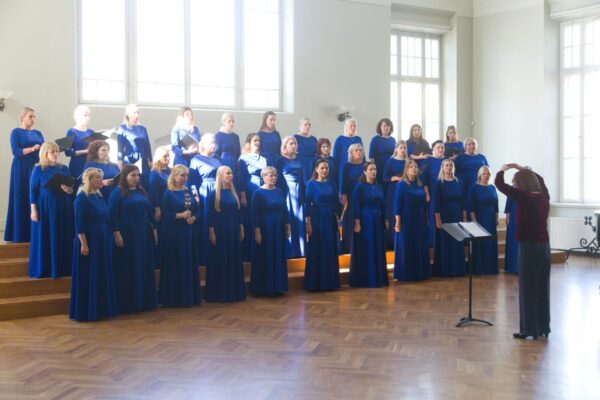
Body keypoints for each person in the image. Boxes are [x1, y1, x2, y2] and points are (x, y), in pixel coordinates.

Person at [495, 164, 551, 340]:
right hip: (545, 247)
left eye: (516, 183)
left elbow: (499, 184)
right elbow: (541, 180)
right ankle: (543, 326)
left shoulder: (525, 197)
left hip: (529, 247)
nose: (515, 186)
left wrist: (503, 169)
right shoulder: (543, 196)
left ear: (522, 184)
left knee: (527, 288)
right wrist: (522, 168)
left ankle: (529, 329)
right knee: (542, 287)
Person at [70, 168, 118, 322]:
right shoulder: (82, 198)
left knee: (102, 271)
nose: (101, 180)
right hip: (90, 239)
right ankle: (89, 310)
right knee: (91, 272)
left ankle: (102, 308)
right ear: (89, 180)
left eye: (100, 177)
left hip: (102, 238)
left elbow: (107, 216)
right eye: (97, 177)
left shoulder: (99, 196)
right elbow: (79, 224)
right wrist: (84, 244)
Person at [108, 165, 157, 314]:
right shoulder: (117, 192)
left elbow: (149, 212)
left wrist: (154, 231)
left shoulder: (142, 191)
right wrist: (116, 233)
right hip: (127, 232)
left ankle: (144, 300)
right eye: (132, 175)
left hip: (143, 232)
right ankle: (128, 303)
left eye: (137, 175)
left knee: (143, 264)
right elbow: (112, 215)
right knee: (129, 265)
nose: (136, 178)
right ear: (125, 176)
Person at [29, 142, 74, 278]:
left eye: (57, 151)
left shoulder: (64, 168)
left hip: (62, 205)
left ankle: (62, 268)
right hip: (45, 207)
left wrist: (68, 190)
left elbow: (71, 190)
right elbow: (33, 191)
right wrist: (33, 210)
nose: (56, 154)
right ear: (45, 154)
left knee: (62, 234)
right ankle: (46, 268)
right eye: (52, 152)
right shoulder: (38, 169)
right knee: (46, 235)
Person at [159, 165, 201, 307]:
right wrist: (180, 215)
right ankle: (174, 299)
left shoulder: (188, 192)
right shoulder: (168, 193)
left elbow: (197, 211)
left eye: (186, 175)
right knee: (175, 262)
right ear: (175, 176)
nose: (185, 178)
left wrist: (193, 218)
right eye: (182, 175)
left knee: (187, 261)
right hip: (173, 233)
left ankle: (188, 296)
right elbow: (164, 215)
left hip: (187, 232)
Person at [205, 166, 246, 302]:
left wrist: (241, 227)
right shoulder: (213, 194)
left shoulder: (235, 192)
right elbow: (209, 215)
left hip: (233, 228)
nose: (231, 175)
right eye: (228, 173)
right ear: (220, 176)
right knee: (220, 258)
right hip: (220, 229)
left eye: (231, 173)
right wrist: (211, 232)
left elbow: (239, 212)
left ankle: (234, 292)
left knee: (233, 257)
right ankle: (219, 293)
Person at [5, 107, 44, 242]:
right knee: (21, 196)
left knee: (36, 196)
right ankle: (19, 234)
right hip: (21, 168)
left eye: (34, 117)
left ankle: (35, 232)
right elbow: (16, 151)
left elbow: (43, 151)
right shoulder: (16, 132)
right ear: (22, 118)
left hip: (36, 166)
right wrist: (32, 148)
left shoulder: (38, 133)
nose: (33, 119)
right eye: (30, 116)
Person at [250, 167, 291, 296]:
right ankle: (264, 288)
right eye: (270, 175)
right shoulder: (258, 193)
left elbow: (285, 209)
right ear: (264, 177)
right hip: (265, 227)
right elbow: (254, 214)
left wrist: (287, 225)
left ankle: (278, 286)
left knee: (278, 255)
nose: (273, 178)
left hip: (278, 227)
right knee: (266, 255)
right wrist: (257, 231)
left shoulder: (279, 191)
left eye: (275, 175)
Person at [349, 161, 388, 288]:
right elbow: (356, 206)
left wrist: (385, 219)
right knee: (368, 247)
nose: (373, 171)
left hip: (378, 219)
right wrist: (357, 223)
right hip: (366, 219)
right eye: (371, 169)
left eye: (375, 169)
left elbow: (383, 204)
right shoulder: (360, 187)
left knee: (378, 247)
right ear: (365, 171)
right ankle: (367, 278)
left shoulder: (379, 186)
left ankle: (378, 277)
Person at [304, 159, 341, 291]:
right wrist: (308, 223)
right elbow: (307, 204)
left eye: (326, 168)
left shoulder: (332, 184)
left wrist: (338, 220)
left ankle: (330, 282)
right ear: (316, 169)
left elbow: (337, 203)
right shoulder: (311, 184)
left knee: (330, 248)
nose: (325, 170)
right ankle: (315, 283)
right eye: (322, 168)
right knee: (317, 247)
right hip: (317, 218)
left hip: (330, 219)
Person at [393, 160, 430, 281]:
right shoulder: (401, 185)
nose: (414, 168)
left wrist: (426, 218)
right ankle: (406, 273)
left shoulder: (419, 183)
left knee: (419, 243)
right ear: (406, 170)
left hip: (420, 217)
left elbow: (424, 203)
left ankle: (420, 272)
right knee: (407, 243)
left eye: (415, 167)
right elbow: (397, 204)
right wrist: (398, 221)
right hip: (407, 216)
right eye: (411, 167)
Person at [189, 133, 222, 265]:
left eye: (214, 143)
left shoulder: (217, 159)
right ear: (203, 144)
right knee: (205, 221)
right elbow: (192, 181)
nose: (213, 145)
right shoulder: (196, 159)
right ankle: (205, 257)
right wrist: (196, 197)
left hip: (217, 190)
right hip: (204, 192)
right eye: (210, 143)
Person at [433, 159, 466, 277]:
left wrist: (464, 217)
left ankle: (457, 269)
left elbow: (463, 201)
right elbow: (436, 204)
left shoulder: (459, 182)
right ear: (442, 167)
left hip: (457, 215)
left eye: (451, 165)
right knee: (445, 242)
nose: (449, 167)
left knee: (457, 241)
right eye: (446, 165)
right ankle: (446, 270)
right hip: (445, 215)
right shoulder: (438, 183)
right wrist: (438, 219)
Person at [237, 133, 267, 261]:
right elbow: (241, 178)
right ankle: (248, 253)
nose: (257, 142)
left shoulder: (264, 159)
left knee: (261, 217)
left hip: (262, 189)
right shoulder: (243, 158)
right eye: (255, 140)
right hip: (250, 189)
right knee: (250, 218)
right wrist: (243, 196)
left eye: (259, 140)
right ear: (249, 142)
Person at [275, 136, 305, 258]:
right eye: (291, 143)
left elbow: (302, 178)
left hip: (299, 192)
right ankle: (290, 252)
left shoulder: (300, 159)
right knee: (289, 219)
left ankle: (301, 251)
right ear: (285, 146)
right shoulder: (280, 160)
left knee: (300, 219)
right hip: (287, 192)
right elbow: (277, 179)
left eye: (295, 143)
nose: (294, 145)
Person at [467, 166, 499, 275]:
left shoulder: (492, 187)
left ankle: (491, 268)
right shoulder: (473, 188)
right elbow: (470, 207)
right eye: (484, 174)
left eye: (488, 174)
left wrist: (496, 218)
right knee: (480, 243)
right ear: (480, 175)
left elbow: (496, 205)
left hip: (491, 218)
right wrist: (474, 221)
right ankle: (480, 268)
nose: (486, 176)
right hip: (479, 218)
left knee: (490, 243)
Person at [383, 141, 409, 249]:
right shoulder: (391, 161)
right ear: (396, 149)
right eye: (401, 147)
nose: (403, 150)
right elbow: (385, 177)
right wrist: (395, 178)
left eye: (404, 148)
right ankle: (393, 242)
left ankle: (404, 241)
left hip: (406, 190)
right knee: (393, 214)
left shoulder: (408, 161)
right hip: (393, 190)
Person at [117, 104, 152, 184]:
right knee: (131, 182)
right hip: (130, 160)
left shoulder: (143, 128)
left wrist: (151, 160)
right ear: (128, 114)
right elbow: (120, 147)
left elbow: (147, 146)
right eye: (134, 112)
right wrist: (120, 161)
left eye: (138, 112)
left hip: (143, 161)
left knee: (144, 182)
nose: (137, 115)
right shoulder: (123, 128)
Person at [340, 143, 365, 254]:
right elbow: (343, 182)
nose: (359, 152)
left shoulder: (365, 165)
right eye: (356, 150)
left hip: (364, 196)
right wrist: (344, 197)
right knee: (351, 221)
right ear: (351, 153)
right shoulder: (347, 165)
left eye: (360, 150)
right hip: (351, 196)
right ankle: (350, 246)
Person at [421, 140, 446, 247]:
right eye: (438, 147)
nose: (441, 149)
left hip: (447, 193)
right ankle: (433, 244)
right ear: (433, 149)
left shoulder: (447, 160)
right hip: (433, 192)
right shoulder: (428, 160)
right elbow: (422, 177)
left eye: (442, 147)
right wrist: (427, 192)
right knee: (434, 217)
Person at [65, 105, 94, 179]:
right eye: (85, 115)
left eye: (89, 115)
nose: (88, 118)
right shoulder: (71, 131)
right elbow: (67, 152)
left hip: (90, 163)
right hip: (77, 164)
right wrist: (86, 151)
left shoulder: (91, 132)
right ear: (78, 116)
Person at [369, 118, 396, 186]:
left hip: (390, 167)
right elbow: (371, 156)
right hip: (379, 167)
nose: (386, 128)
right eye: (384, 126)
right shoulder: (375, 139)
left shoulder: (393, 140)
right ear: (380, 127)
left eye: (388, 126)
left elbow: (395, 155)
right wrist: (373, 170)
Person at [148, 146, 172, 222]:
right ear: (158, 157)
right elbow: (153, 192)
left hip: (173, 202)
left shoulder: (171, 170)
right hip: (163, 205)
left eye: (168, 156)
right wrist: (157, 209)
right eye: (165, 156)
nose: (168, 158)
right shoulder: (154, 173)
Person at [293, 117, 317, 184]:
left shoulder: (313, 139)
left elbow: (316, 152)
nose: (308, 126)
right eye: (305, 124)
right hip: (300, 164)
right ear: (300, 126)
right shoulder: (295, 137)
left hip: (312, 165)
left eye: (309, 125)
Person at [504, 197, 519, 273]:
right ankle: (514, 267)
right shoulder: (512, 190)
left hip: (526, 213)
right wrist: (507, 217)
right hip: (514, 215)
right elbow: (508, 204)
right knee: (514, 240)